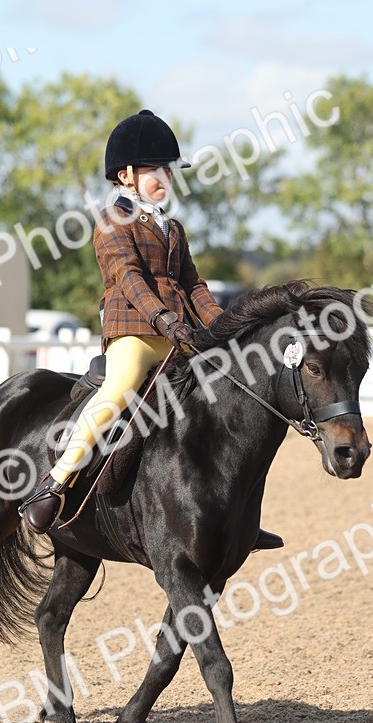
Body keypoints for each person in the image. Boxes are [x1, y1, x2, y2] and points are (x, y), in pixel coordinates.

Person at [22, 109, 283, 555]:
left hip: (179, 335)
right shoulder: (111, 221)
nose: (166, 177)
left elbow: (193, 284)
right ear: (125, 175)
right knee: (119, 389)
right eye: (156, 169)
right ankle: (55, 483)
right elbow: (128, 277)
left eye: (169, 170)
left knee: (219, 399)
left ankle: (228, 512)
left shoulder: (172, 228)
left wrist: (223, 326)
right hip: (135, 334)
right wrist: (162, 319)